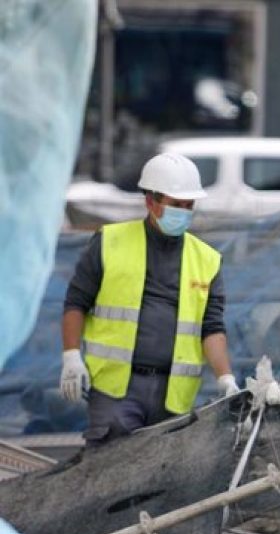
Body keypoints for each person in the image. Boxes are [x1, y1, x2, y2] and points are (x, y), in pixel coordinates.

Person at [60, 153, 239, 447]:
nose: (183, 212)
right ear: (151, 202)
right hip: (116, 387)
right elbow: (76, 302)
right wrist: (70, 358)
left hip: (173, 395)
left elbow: (212, 327)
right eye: (175, 205)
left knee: (160, 478)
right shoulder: (110, 242)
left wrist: (225, 378)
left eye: (188, 206)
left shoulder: (207, 260)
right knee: (112, 469)